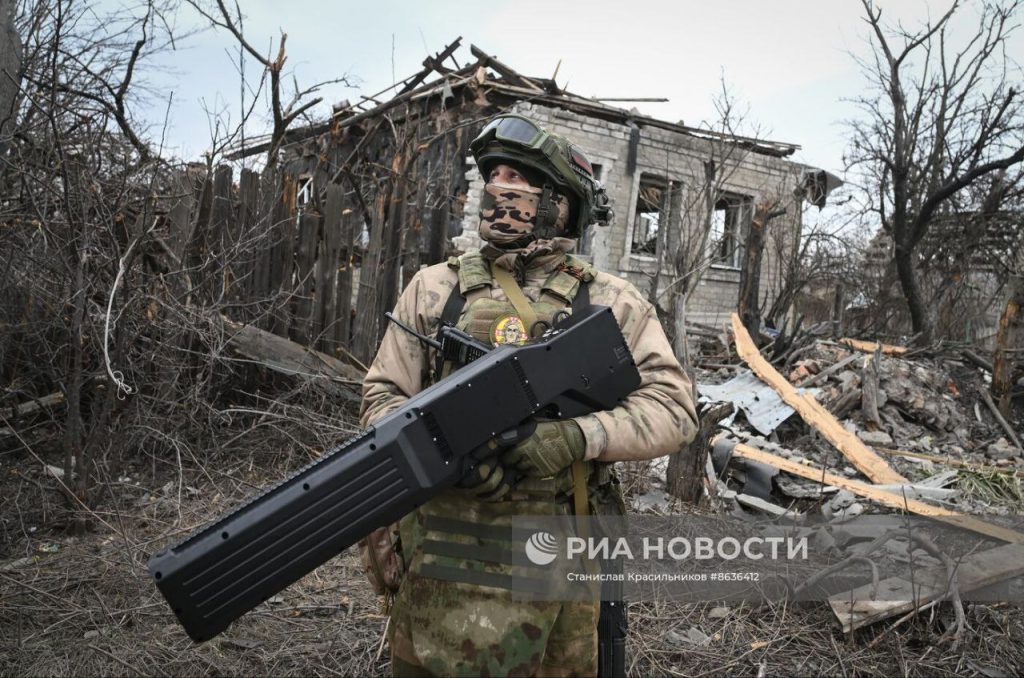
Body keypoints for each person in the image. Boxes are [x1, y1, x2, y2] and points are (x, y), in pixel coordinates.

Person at [360, 113, 698, 677]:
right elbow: (382, 397)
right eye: (495, 176)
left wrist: (575, 436)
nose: (502, 189)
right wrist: (445, 456)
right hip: (445, 548)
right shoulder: (435, 288)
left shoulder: (610, 301)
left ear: (562, 200)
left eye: (521, 178)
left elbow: (674, 410)